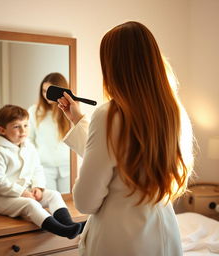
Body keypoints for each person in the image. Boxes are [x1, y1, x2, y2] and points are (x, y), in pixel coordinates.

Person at [57, 21, 194, 255]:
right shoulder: (175, 113)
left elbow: (86, 201)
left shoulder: (110, 115)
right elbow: (125, 160)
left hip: (120, 239)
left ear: (113, 67)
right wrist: (79, 122)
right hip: (163, 235)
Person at [0, 104, 83, 239]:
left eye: (26, 125)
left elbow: (37, 169)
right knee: (30, 204)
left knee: (54, 194)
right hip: (4, 199)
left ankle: (69, 224)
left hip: (27, 192)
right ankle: (63, 230)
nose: (23, 130)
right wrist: (21, 192)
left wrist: (38, 186)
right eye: (16, 126)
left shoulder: (29, 147)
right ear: (2, 130)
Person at [28, 73, 71, 193]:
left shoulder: (69, 111)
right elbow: (28, 140)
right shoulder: (33, 111)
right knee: (49, 204)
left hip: (67, 167)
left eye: (49, 91)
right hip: (44, 168)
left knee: (69, 204)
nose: (46, 95)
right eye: (43, 91)